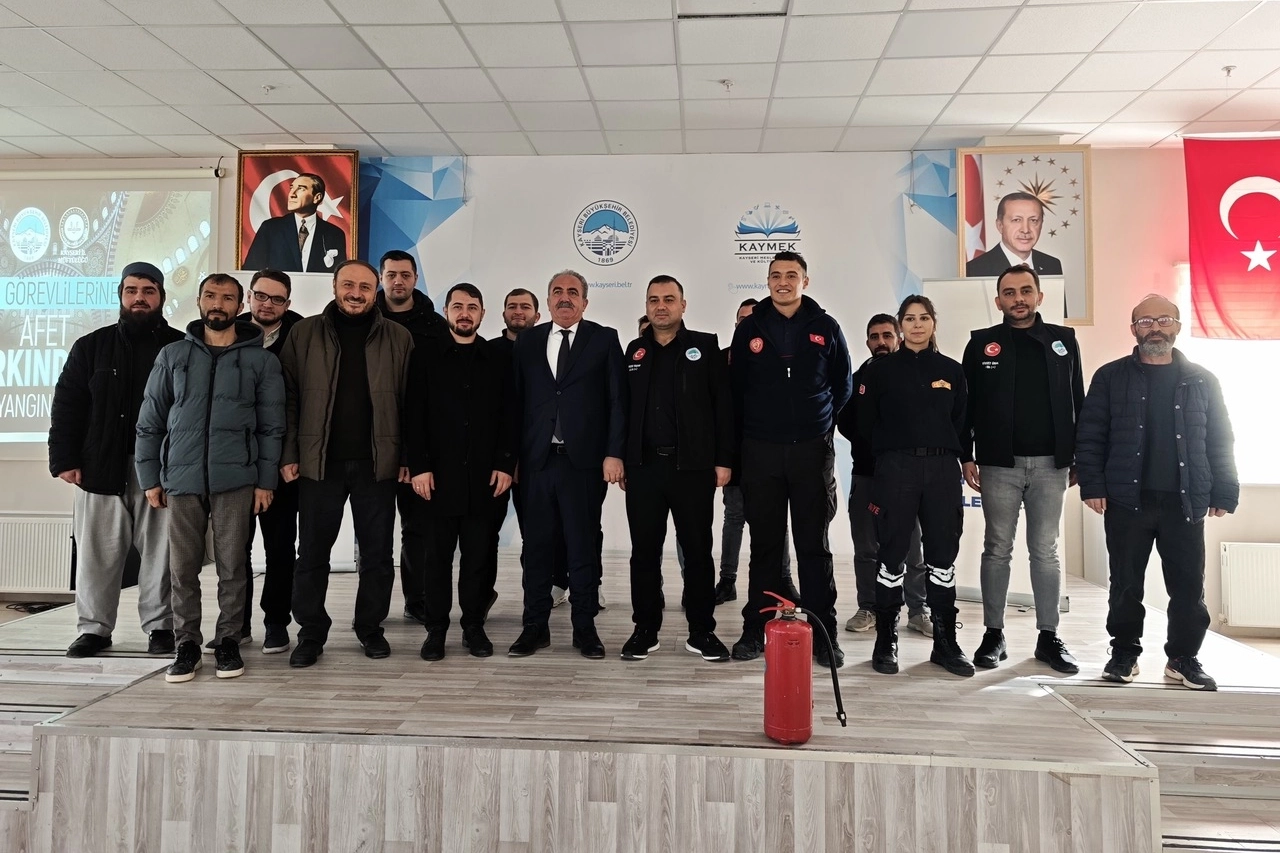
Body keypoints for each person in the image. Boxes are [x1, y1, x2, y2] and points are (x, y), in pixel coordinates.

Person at [1077, 294, 1238, 691]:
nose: (1155, 327)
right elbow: (1091, 435)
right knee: (1125, 583)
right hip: (1126, 499)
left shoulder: (1203, 379)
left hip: (1185, 500)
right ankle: (1124, 653)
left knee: (1187, 586)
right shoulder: (1110, 377)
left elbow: (1220, 438)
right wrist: (1092, 484)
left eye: (1164, 320)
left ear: (1177, 326)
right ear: (1134, 329)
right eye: (1145, 321)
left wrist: (1224, 489)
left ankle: (1183, 659)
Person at [135, 274, 285, 683]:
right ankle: (186, 644)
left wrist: (265, 481)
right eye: (211, 296)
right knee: (182, 568)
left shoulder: (262, 361)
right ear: (199, 301)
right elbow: (150, 421)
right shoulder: (172, 355)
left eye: (227, 298)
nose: (218, 304)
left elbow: (272, 428)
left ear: (241, 305)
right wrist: (150, 477)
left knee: (233, 566)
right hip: (180, 479)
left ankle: (229, 641)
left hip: (236, 479)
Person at [279, 260, 414, 668]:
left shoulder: (398, 337)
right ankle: (310, 632)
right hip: (319, 463)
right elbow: (287, 398)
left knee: (377, 555)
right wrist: (289, 454)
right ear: (335, 287)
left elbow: (411, 403)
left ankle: (370, 627)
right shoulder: (304, 334)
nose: (356, 293)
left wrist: (407, 457)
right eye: (349, 285)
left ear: (376, 291)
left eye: (365, 287)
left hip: (378, 464)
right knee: (312, 554)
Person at [49, 261, 184, 658]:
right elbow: (68, 404)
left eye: (148, 291)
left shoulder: (179, 347)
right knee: (96, 555)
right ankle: (94, 629)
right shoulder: (91, 346)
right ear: (121, 296)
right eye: (131, 290)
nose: (139, 298)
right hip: (98, 468)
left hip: (159, 470)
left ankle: (161, 627)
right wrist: (64, 459)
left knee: (162, 554)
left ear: (161, 296)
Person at [729, 251, 852, 668]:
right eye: (776, 275)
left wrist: (818, 422)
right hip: (760, 450)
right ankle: (755, 630)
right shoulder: (750, 328)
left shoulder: (826, 327)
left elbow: (842, 386)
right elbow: (736, 388)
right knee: (765, 547)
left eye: (791, 275)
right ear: (768, 281)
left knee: (813, 546)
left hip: (810, 451)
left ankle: (824, 633)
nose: (783, 282)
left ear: (805, 281)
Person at [962, 266, 1084, 674]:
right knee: (997, 548)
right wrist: (966, 455)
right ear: (998, 300)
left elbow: (1078, 399)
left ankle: (1049, 636)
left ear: (1039, 296)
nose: (1019, 298)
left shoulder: (1064, 340)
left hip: (1052, 465)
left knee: (1045, 550)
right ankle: (993, 634)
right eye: (1010, 292)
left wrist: (1080, 456)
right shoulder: (981, 343)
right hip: (999, 464)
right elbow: (965, 405)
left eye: (1026, 291)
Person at [508, 270, 625, 659]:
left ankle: (585, 629)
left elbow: (617, 401)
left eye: (572, 292)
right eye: (557, 291)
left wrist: (614, 453)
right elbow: (515, 404)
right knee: (536, 549)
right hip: (536, 463)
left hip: (583, 465)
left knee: (582, 549)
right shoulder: (528, 341)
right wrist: (512, 459)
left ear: (585, 302)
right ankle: (534, 627)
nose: (564, 297)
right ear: (547, 301)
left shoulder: (604, 339)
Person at [620, 275, 734, 663]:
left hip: (693, 469)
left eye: (669, 299)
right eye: (654, 299)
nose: (661, 306)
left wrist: (723, 460)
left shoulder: (705, 346)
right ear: (646, 306)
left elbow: (723, 407)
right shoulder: (635, 351)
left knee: (698, 552)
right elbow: (623, 410)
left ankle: (702, 631)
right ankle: (644, 629)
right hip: (644, 468)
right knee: (644, 553)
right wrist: (622, 458)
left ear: (683, 305)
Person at [858, 295, 973, 677]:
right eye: (910, 318)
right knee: (891, 556)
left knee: (942, 557)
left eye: (924, 318)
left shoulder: (952, 371)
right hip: (896, 469)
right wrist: (888, 456)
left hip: (942, 470)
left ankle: (945, 642)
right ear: (901, 325)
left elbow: (962, 423)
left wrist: (962, 457)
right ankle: (886, 640)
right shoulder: (880, 371)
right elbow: (864, 422)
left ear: (933, 323)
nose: (917, 325)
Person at [405, 283, 514, 660]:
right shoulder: (424, 356)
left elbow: (510, 417)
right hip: (437, 479)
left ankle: (474, 627)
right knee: (435, 560)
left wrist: (505, 463)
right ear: (446, 312)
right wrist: (419, 467)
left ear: (482, 314)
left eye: (472, 307)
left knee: (478, 559)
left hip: (485, 479)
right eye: (457, 306)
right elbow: (413, 415)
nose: (464, 313)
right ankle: (435, 631)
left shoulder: (498, 358)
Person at [837, 313, 931, 637]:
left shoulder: (914, 374)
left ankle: (918, 610)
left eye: (887, 335)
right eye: (875, 337)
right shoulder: (855, 379)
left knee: (913, 548)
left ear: (898, 338)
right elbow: (845, 422)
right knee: (866, 548)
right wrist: (873, 446)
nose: (881, 342)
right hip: (867, 475)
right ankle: (869, 607)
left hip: (908, 477)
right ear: (867, 342)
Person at [375, 249, 448, 626]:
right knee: (374, 533)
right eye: (391, 275)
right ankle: (371, 610)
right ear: (381, 278)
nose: (398, 281)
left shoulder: (435, 326)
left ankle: (416, 599)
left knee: (418, 530)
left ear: (415, 278)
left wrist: (414, 455)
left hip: (419, 449)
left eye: (405, 275)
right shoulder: (363, 318)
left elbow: (439, 396)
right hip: (370, 446)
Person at [712, 298, 797, 606]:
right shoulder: (720, 358)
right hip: (734, 453)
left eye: (752, 318)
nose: (746, 324)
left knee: (776, 520)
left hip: (769, 451)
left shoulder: (774, 356)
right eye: (741, 319)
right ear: (736, 324)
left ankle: (784, 580)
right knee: (734, 516)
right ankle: (727, 580)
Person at [237, 269, 304, 654]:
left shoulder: (301, 338)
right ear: (249, 297)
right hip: (235, 461)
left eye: (277, 299)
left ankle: (276, 622)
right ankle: (237, 623)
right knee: (235, 550)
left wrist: (292, 455)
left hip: (282, 463)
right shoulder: (227, 335)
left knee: (280, 548)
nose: (267, 304)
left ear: (287, 304)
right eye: (261, 295)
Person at [242, 173, 348, 273]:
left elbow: (339, 276)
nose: (292, 194)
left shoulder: (335, 234)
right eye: (291, 188)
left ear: (317, 197)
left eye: (301, 189)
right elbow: (250, 270)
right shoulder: (270, 228)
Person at [966, 192, 1063, 278]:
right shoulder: (974, 269)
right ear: (1000, 225)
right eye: (1016, 220)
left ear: (1041, 224)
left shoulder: (1052, 265)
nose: (1025, 230)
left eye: (1033, 220)